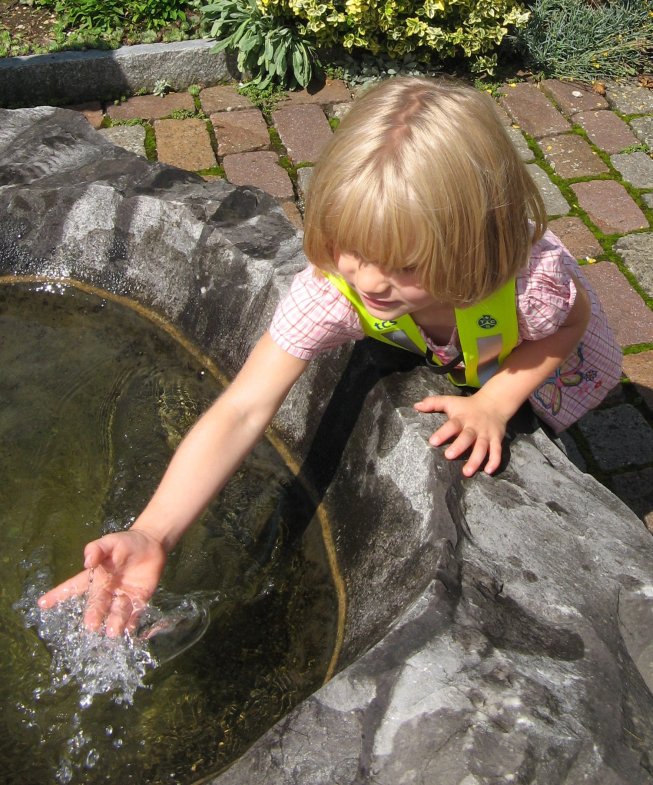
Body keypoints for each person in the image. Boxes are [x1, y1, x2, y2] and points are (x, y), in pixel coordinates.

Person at [38, 76, 622, 636]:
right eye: (351, 247)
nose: (369, 280)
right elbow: (243, 407)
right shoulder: (332, 291)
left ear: (471, 246)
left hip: (537, 364)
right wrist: (154, 533)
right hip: (464, 347)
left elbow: (569, 327)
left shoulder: (527, 285)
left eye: (405, 265)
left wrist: (497, 401)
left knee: (535, 436)